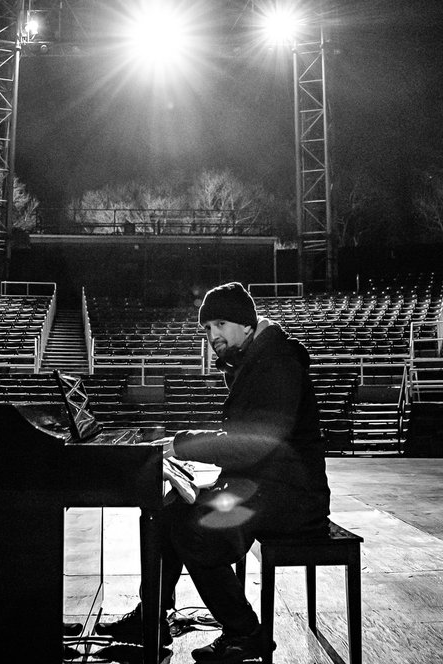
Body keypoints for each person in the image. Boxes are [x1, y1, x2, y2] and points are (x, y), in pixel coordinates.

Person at [99, 281, 332, 663]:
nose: (213, 335)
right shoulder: (252, 360)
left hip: (291, 496)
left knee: (197, 529)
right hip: (262, 483)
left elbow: (254, 442)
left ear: (245, 323)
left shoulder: (277, 364)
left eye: (220, 323)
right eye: (207, 328)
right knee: (166, 512)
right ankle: (152, 617)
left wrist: (184, 443)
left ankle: (245, 634)